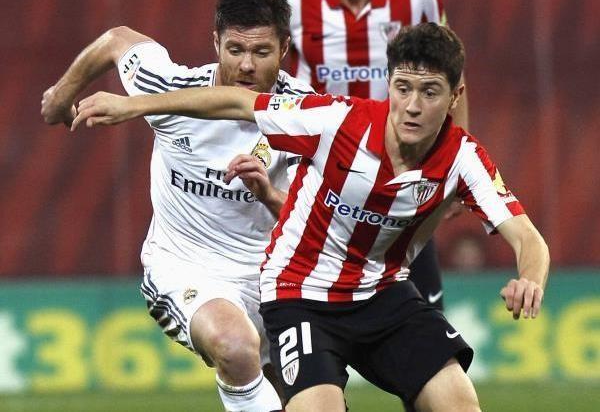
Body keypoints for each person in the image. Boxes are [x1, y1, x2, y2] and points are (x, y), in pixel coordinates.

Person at [69, 22, 550, 412]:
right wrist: (134, 105)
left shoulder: (464, 158)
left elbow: (528, 238)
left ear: (455, 95)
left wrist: (530, 278)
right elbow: (236, 101)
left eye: (430, 92)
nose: (412, 106)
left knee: (459, 404)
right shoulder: (337, 120)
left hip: (382, 294)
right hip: (301, 295)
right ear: (389, 84)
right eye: (403, 88)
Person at [41, 0, 314, 412]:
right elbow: (116, 39)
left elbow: (311, 221)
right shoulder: (168, 88)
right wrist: (61, 94)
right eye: (235, 49)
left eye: (261, 52)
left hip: (276, 277)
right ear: (215, 43)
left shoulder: (307, 116)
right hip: (186, 266)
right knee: (234, 346)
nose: (246, 64)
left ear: (284, 49)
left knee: (303, 398)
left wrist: (267, 193)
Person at [278, 0, 466, 312]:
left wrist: (454, 169)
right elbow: (273, 82)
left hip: (400, 167)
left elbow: (453, 77)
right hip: (322, 170)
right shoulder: (291, 2)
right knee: (313, 285)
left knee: (419, 299)